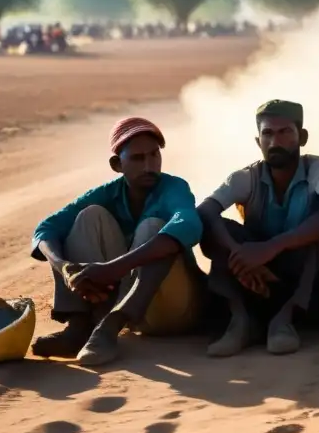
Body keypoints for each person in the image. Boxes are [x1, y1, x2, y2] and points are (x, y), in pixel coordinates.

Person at [30, 117, 204, 366]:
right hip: (129, 310)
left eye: (154, 155)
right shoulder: (107, 194)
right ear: (116, 164)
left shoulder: (173, 188)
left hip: (174, 313)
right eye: (137, 158)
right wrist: (65, 269)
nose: (149, 166)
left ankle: (109, 326)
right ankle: (80, 326)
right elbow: (46, 229)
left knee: (153, 227)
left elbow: (188, 224)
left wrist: (115, 268)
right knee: (89, 217)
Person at [197, 100, 319, 357]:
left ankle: (284, 321)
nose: (275, 141)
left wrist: (272, 247)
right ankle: (240, 321)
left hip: (307, 278)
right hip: (256, 277)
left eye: (285, 132)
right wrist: (241, 257)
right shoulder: (246, 177)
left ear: (302, 136)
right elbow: (205, 210)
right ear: (258, 141)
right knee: (214, 227)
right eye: (267, 133)